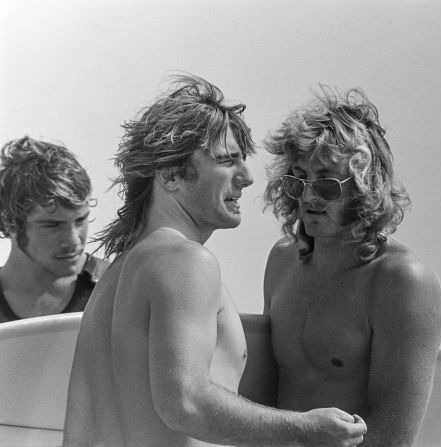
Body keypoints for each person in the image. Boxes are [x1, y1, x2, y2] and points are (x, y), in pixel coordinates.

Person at [63, 74, 366, 447]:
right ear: (171, 174)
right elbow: (184, 404)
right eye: (227, 161)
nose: (248, 178)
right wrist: (305, 429)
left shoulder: (115, 276)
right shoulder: (186, 261)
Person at [263, 86, 441, 446]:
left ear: (365, 186)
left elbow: (392, 436)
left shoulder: (402, 281)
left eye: (327, 183)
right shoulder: (283, 259)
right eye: (298, 179)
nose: (309, 196)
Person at [0, 137, 108, 323]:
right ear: (9, 223)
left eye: (81, 219)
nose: (73, 241)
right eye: (53, 225)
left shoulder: (119, 287)